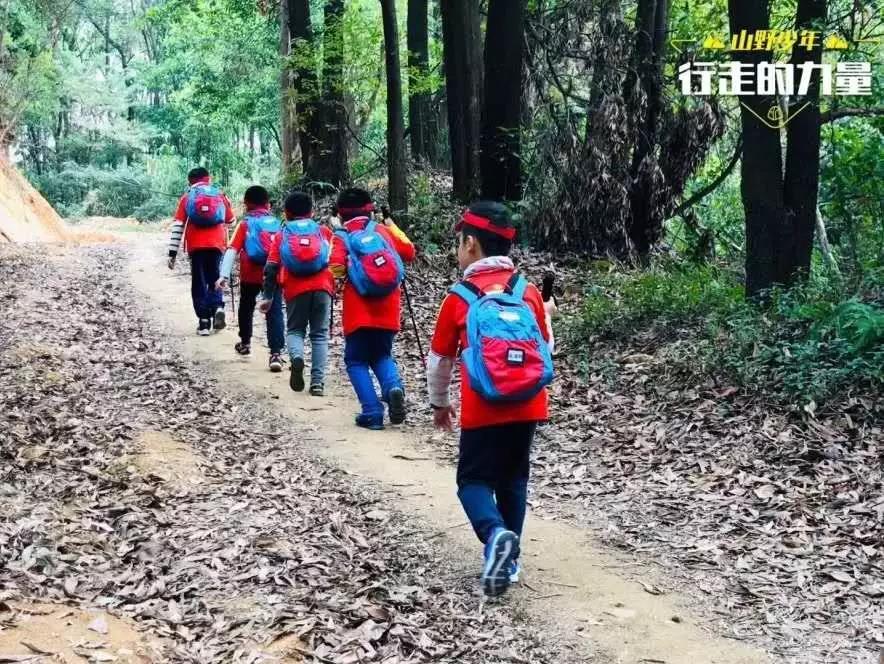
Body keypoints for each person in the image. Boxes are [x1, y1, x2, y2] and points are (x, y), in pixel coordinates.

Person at [427, 201, 554, 598]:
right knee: (514, 479)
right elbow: (547, 345)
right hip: (529, 403)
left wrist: (440, 403)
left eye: (459, 243)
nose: (457, 251)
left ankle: (494, 534)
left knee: (473, 480)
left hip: (483, 406)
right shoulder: (527, 291)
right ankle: (510, 561)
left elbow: (440, 361)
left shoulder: (459, 297)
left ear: (471, 245)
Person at [330, 188, 416, 430]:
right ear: (370, 209)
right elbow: (409, 251)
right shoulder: (381, 231)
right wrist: (391, 223)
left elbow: (334, 269)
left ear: (341, 213)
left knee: (355, 360)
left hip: (358, 311)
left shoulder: (343, 235)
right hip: (388, 308)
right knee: (382, 355)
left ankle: (372, 412)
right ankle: (393, 387)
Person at [261, 192, 334, 395]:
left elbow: (271, 267)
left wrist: (267, 296)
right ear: (312, 211)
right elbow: (334, 260)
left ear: (286, 213)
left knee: (295, 331)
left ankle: (297, 358)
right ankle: (317, 383)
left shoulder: (282, 234)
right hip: (323, 288)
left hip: (295, 289)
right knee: (319, 335)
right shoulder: (324, 232)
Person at [216, 185, 286, 371]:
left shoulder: (245, 224)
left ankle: (245, 342)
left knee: (246, 307)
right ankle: (276, 354)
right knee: (275, 311)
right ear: (268, 205)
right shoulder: (277, 224)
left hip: (250, 275)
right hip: (274, 276)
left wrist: (223, 275)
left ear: (246, 204)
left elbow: (232, 250)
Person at [167, 167, 235, 336]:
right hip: (217, 244)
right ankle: (218, 307)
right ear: (208, 179)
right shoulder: (219, 194)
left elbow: (178, 226)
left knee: (199, 280)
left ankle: (204, 322)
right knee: (215, 276)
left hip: (196, 245)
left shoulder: (188, 196)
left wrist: (172, 254)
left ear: (190, 180)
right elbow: (232, 220)